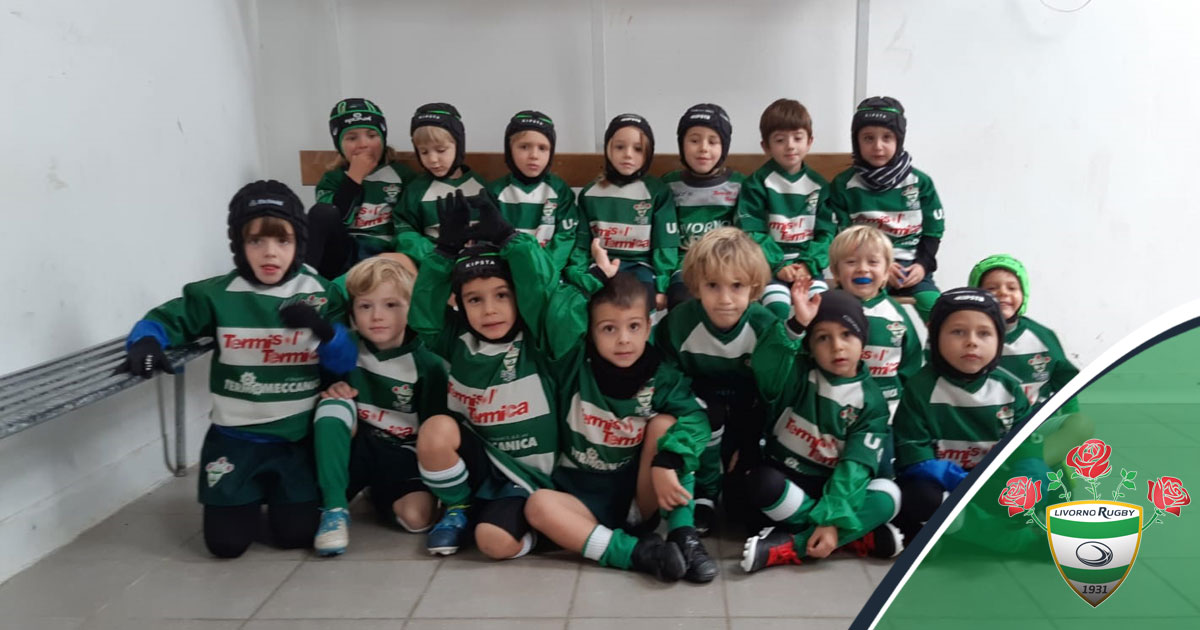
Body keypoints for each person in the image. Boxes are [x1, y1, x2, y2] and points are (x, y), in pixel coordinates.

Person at [121, 180, 355, 558]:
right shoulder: (215, 294)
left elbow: (344, 363)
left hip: (295, 440)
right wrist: (146, 341)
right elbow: (165, 319)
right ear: (238, 244)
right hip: (235, 439)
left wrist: (324, 331)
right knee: (225, 546)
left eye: (283, 240)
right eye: (256, 240)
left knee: (295, 535)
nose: (270, 252)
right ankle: (244, 499)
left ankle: (274, 500)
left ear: (299, 243)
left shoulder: (321, 292)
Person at [740, 287, 903, 572]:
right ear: (811, 346)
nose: (837, 346)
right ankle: (851, 537)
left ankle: (791, 546)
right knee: (760, 483)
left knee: (889, 495)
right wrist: (796, 325)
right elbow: (766, 364)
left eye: (847, 334)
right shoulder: (797, 373)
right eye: (823, 338)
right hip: (790, 480)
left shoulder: (872, 402)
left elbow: (855, 468)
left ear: (862, 339)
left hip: (835, 486)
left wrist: (831, 519)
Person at [309, 257, 448, 556]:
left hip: (402, 453)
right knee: (332, 407)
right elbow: (324, 384)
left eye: (391, 305)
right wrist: (334, 388)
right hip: (356, 448)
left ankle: (378, 493)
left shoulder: (429, 363)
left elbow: (436, 430)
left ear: (411, 308)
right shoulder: (344, 348)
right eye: (365, 306)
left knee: (417, 519)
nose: (377, 316)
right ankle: (334, 509)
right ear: (352, 312)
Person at [654, 227, 776, 534]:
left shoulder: (764, 326)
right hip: (698, 406)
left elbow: (777, 389)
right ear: (696, 285)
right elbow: (666, 377)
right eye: (712, 285)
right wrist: (692, 407)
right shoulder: (679, 323)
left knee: (740, 509)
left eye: (737, 286)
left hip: (748, 409)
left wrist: (752, 441)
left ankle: (736, 475)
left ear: (754, 287)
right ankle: (704, 494)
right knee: (706, 417)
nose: (725, 299)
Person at [891, 288, 1030, 544]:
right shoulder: (919, 388)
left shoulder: (1010, 388)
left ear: (999, 339)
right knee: (919, 497)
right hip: (940, 481)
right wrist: (960, 480)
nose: (971, 342)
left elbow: (1026, 447)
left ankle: (961, 532)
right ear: (936, 336)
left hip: (991, 482)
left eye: (984, 333)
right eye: (958, 332)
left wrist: (1027, 475)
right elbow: (914, 456)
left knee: (1049, 488)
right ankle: (984, 535)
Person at [829, 97, 944, 321]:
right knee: (844, 314)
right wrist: (880, 267)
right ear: (856, 141)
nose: (878, 146)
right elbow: (841, 239)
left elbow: (933, 231)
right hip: (864, 270)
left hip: (911, 270)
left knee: (940, 312)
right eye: (868, 138)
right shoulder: (844, 185)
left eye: (887, 137)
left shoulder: (920, 183)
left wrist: (922, 266)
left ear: (899, 140)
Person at [567, 113, 679, 311]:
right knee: (597, 309)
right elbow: (581, 245)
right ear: (608, 149)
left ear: (648, 153)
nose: (628, 154)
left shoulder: (657, 192)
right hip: (602, 267)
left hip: (641, 268)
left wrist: (662, 286)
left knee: (640, 309)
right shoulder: (590, 193)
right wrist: (579, 275)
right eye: (620, 147)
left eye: (638, 149)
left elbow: (664, 244)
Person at [309, 98, 415, 277]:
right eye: (352, 138)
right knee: (321, 212)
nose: (363, 144)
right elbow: (335, 218)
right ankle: (304, 281)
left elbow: (410, 223)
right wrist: (354, 178)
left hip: (385, 254)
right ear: (339, 145)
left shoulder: (402, 175)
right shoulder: (332, 179)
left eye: (372, 136)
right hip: (342, 255)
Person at [661, 104, 744, 307]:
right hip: (685, 266)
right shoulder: (668, 185)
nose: (703, 148)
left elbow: (747, 237)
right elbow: (663, 240)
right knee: (682, 300)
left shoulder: (739, 185)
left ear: (724, 147)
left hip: (727, 264)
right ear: (682, 144)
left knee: (730, 301)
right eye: (694, 140)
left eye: (713, 141)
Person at [485, 110, 580, 275]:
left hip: (547, 271)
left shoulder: (559, 190)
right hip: (506, 270)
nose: (534, 155)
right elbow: (489, 239)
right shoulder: (495, 191)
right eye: (524, 147)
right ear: (509, 150)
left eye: (542, 148)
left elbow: (565, 236)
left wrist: (546, 269)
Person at [394, 103, 486, 267]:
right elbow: (405, 232)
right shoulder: (416, 190)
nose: (432, 159)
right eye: (424, 152)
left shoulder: (480, 187)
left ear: (459, 146)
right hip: (432, 264)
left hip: (474, 266)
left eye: (441, 150)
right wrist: (435, 254)